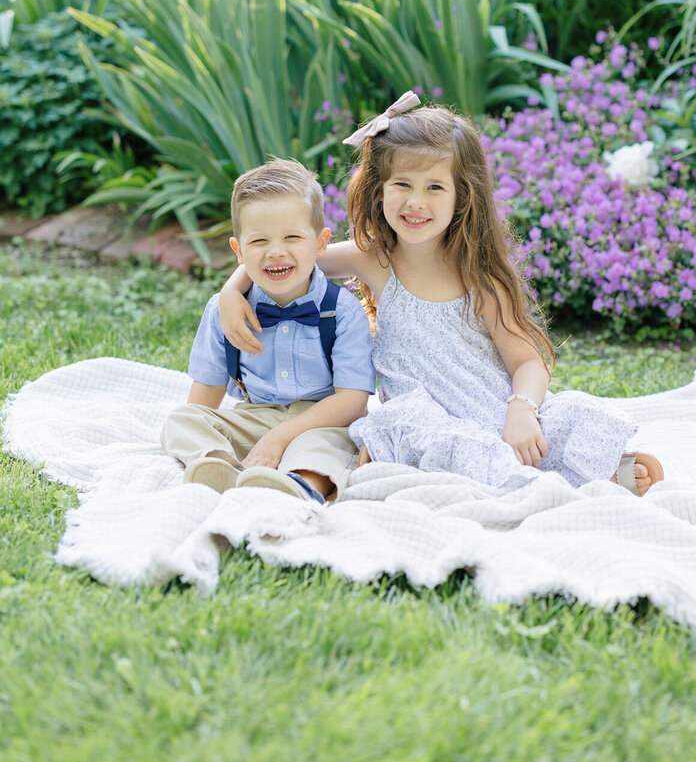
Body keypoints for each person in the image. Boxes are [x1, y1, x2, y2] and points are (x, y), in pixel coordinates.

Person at [219, 95, 663, 496]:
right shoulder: (372, 259)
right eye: (402, 185)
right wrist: (230, 290)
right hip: (425, 417)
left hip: (496, 409)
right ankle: (558, 484)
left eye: (434, 187)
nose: (416, 202)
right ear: (379, 189)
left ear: (461, 196)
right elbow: (298, 256)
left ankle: (569, 471)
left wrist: (522, 409)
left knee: (568, 415)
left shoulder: (479, 279)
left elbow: (527, 361)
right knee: (429, 436)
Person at [161, 159, 375, 503]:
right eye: (259, 240)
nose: (276, 251)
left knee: (326, 447)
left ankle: (300, 485)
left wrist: (278, 440)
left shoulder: (343, 311)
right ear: (239, 251)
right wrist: (206, 428)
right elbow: (204, 398)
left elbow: (352, 400)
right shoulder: (223, 310)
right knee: (181, 419)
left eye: (292, 237)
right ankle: (218, 467)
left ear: (321, 242)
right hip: (254, 417)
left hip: (322, 420)